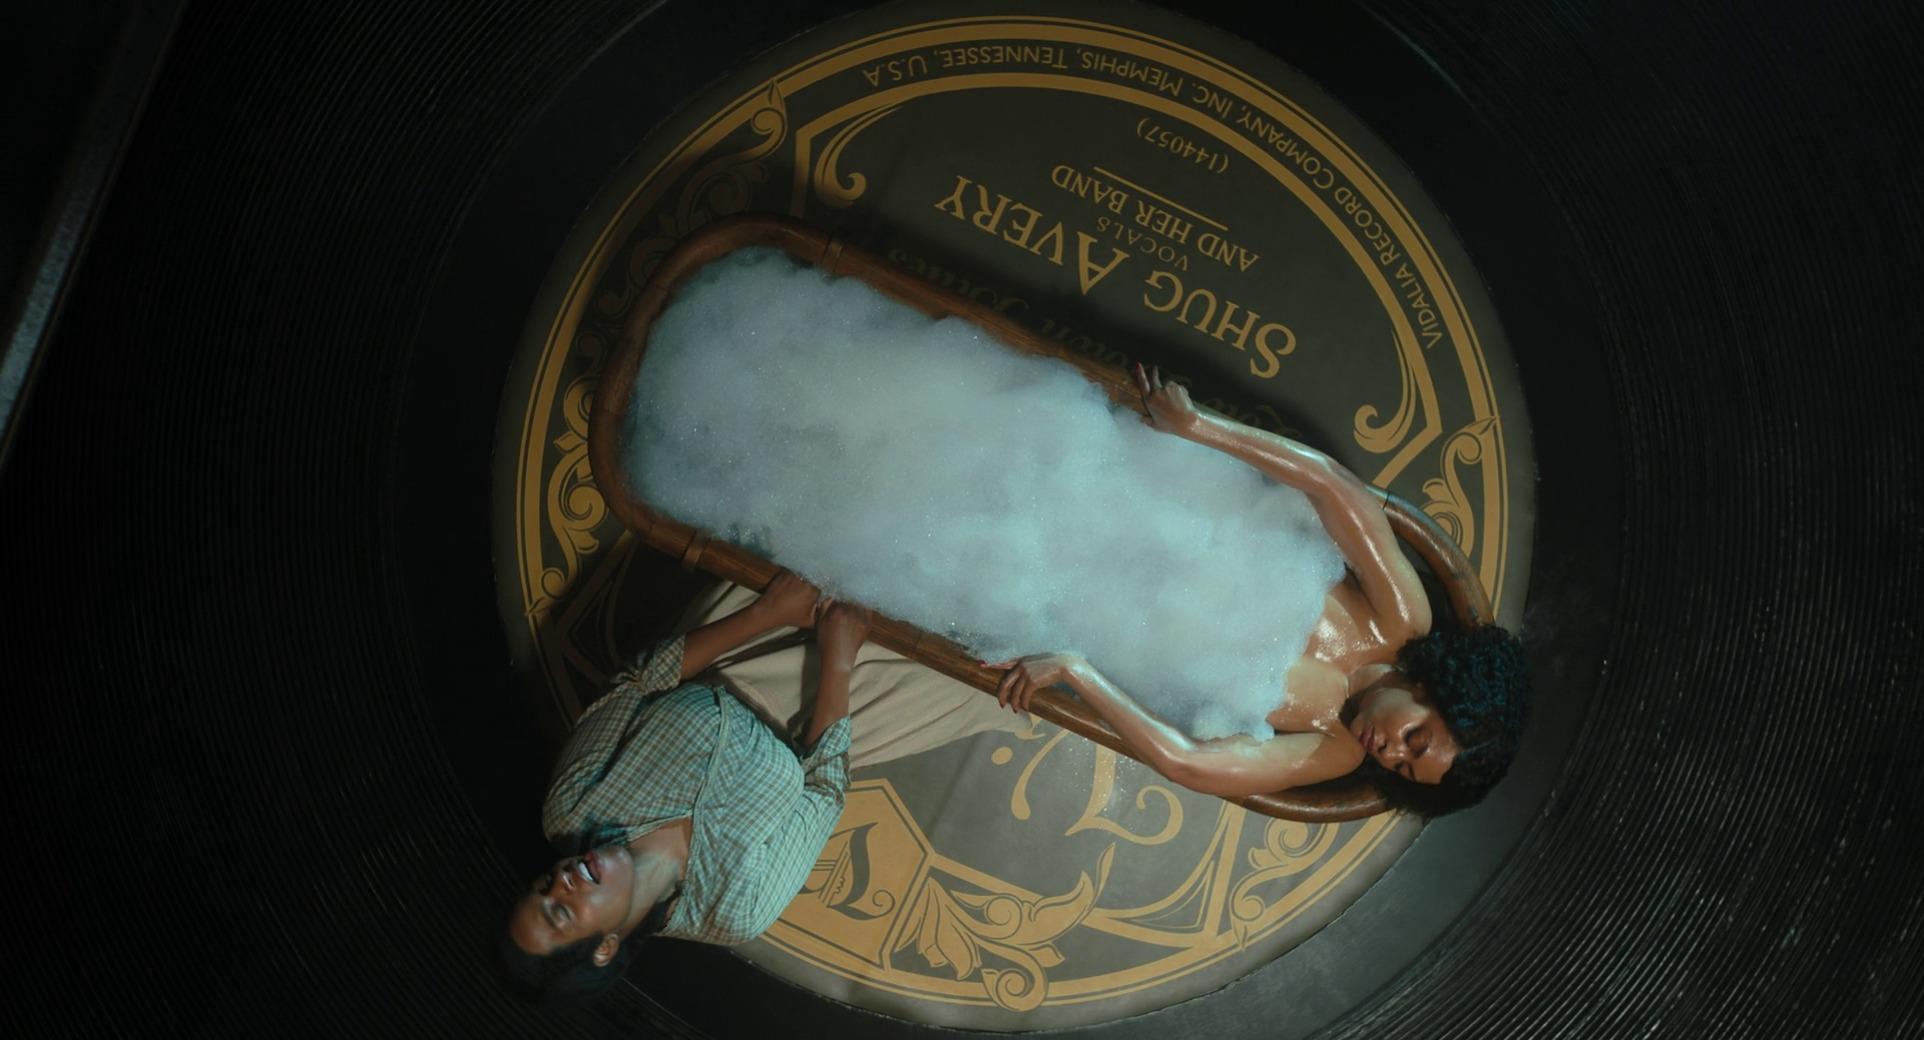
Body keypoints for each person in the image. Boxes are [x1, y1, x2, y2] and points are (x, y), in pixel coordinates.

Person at [989, 363, 1530, 817]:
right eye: (1414, 739)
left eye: (1402, 769)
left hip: (1078, 592)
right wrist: (1199, 427)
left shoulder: (1333, 750)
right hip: (1145, 491)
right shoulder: (1401, 620)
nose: (1389, 753)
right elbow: (1331, 486)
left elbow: (1189, 764)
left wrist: (1075, 670)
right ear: (1433, 692)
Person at [498, 571, 879, 1002]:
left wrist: (768, 612)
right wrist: (840, 658)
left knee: (818, 562)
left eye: (543, 885)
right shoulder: (733, 912)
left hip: (734, 642)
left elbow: (637, 682)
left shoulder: (569, 811)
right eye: (561, 912)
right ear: (605, 947)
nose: (560, 880)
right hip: (824, 704)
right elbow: (824, 788)